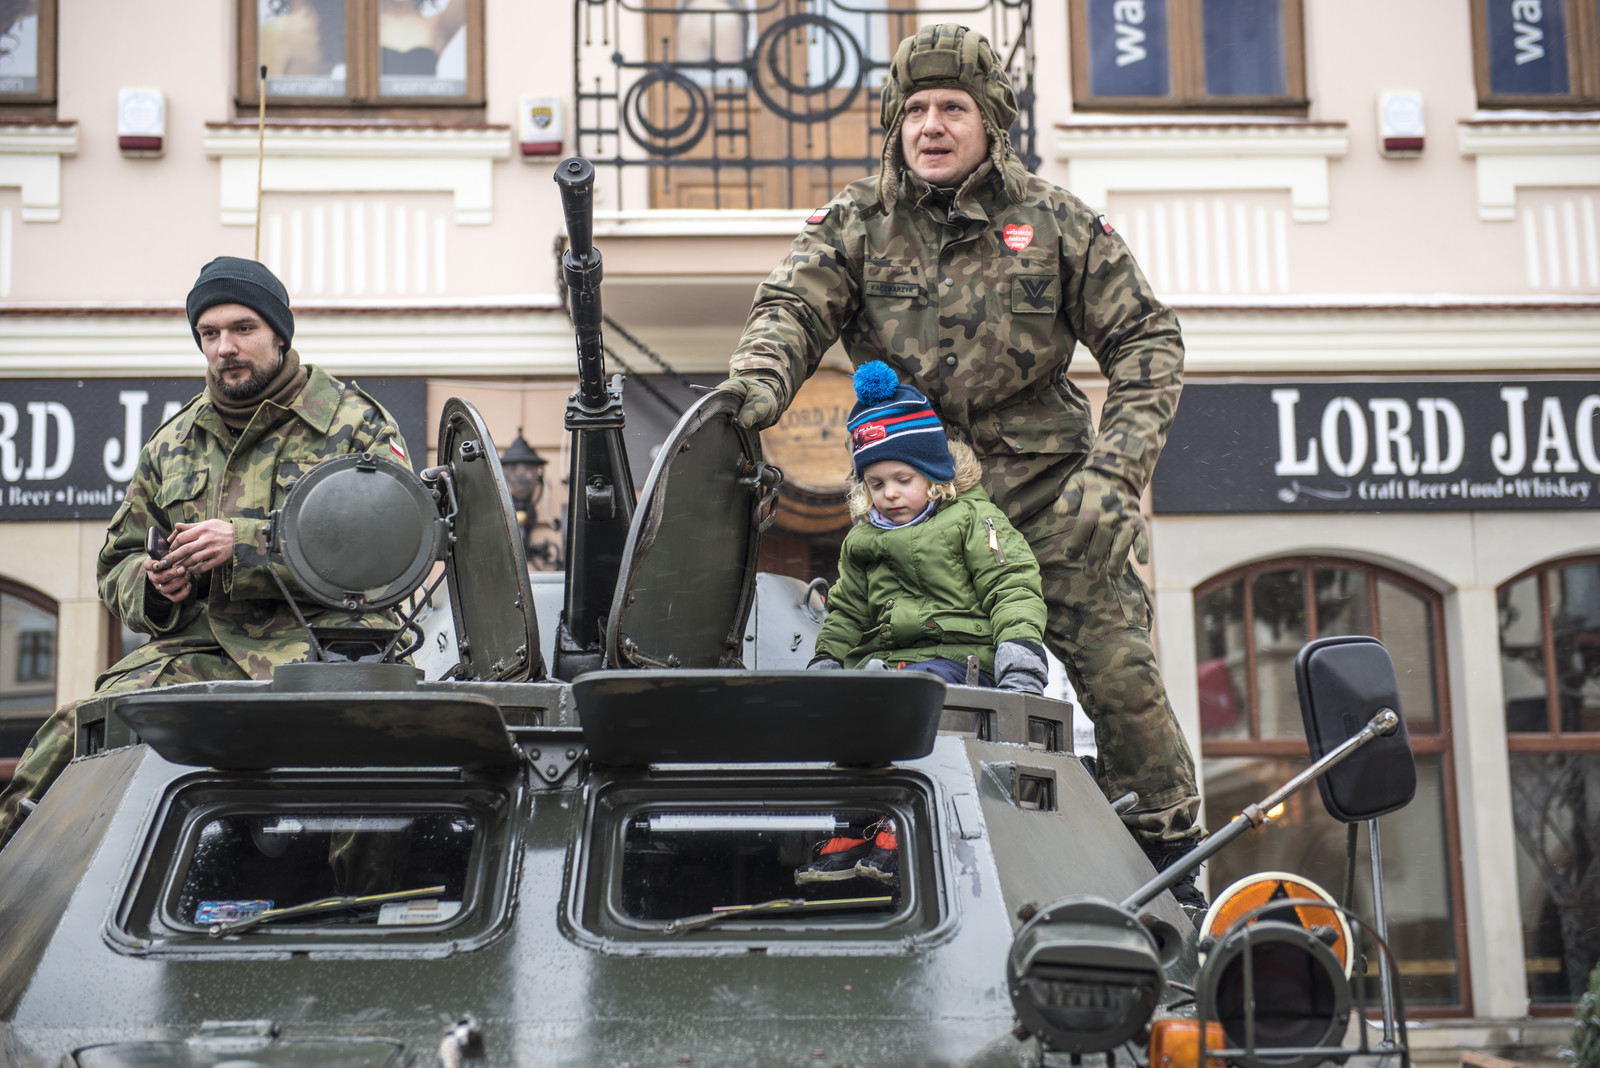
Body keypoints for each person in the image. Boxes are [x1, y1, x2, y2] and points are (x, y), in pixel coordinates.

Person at [718, 23, 1206, 904]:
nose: (931, 126)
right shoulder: (856, 224)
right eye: (914, 110)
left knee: (1121, 677)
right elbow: (791, 309)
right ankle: (871, 842)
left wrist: (1116, 476)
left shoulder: (1055, 223)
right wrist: (756, 385)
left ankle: (1172, 873)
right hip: (915, 507)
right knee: (879, 677)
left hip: (1049, 503)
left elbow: (1147, 339)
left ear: (992, 122)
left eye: (952, 107)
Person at [0, 257, 410, 851]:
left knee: (366, 782)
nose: (225, 348)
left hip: (330, 645)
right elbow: (116, 562)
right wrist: (153, 584)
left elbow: (390, 545)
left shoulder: (354, 424)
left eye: (243, 328)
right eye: (209, 333)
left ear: (279, 333)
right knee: (75, 729)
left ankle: (369, 906)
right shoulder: (173, 442)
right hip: (201, 651)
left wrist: (244, 544)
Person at [808, 361, 1049, 693]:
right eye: (876, 484)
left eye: (903, 479)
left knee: (914, 687)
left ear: (933, 474)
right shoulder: (861, 542)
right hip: (886, 664)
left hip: (962, 661)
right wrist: (826, 661)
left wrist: (1020, 660)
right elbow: (848, 612)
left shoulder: (972, 519)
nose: (890, 493)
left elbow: (1011, 587)